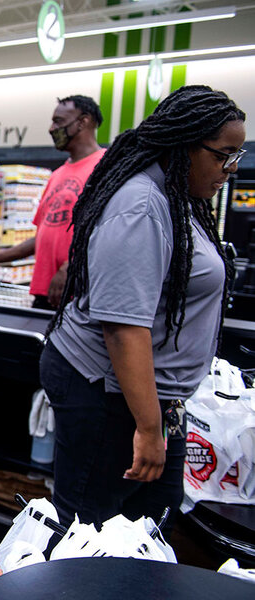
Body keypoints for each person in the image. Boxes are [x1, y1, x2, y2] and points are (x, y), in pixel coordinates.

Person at [42, 85, 245, 536]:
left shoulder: (177, 197)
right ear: (184, 145)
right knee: (90, 529)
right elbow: (122, 328)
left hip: (148, 400)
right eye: (223, 155)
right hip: (106, 393)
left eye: (238, 154)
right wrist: (149, 429)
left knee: (148, 522)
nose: (231, 168)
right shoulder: (141, 204)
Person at [0, 95, 105, 309]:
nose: (51, 128)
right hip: (45, 293)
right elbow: (41, 238)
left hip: (78, 295)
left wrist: (70, 267)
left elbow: (105, 232)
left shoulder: (104, 169)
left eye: (58, 121)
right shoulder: (57, 175)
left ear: (83, 122)